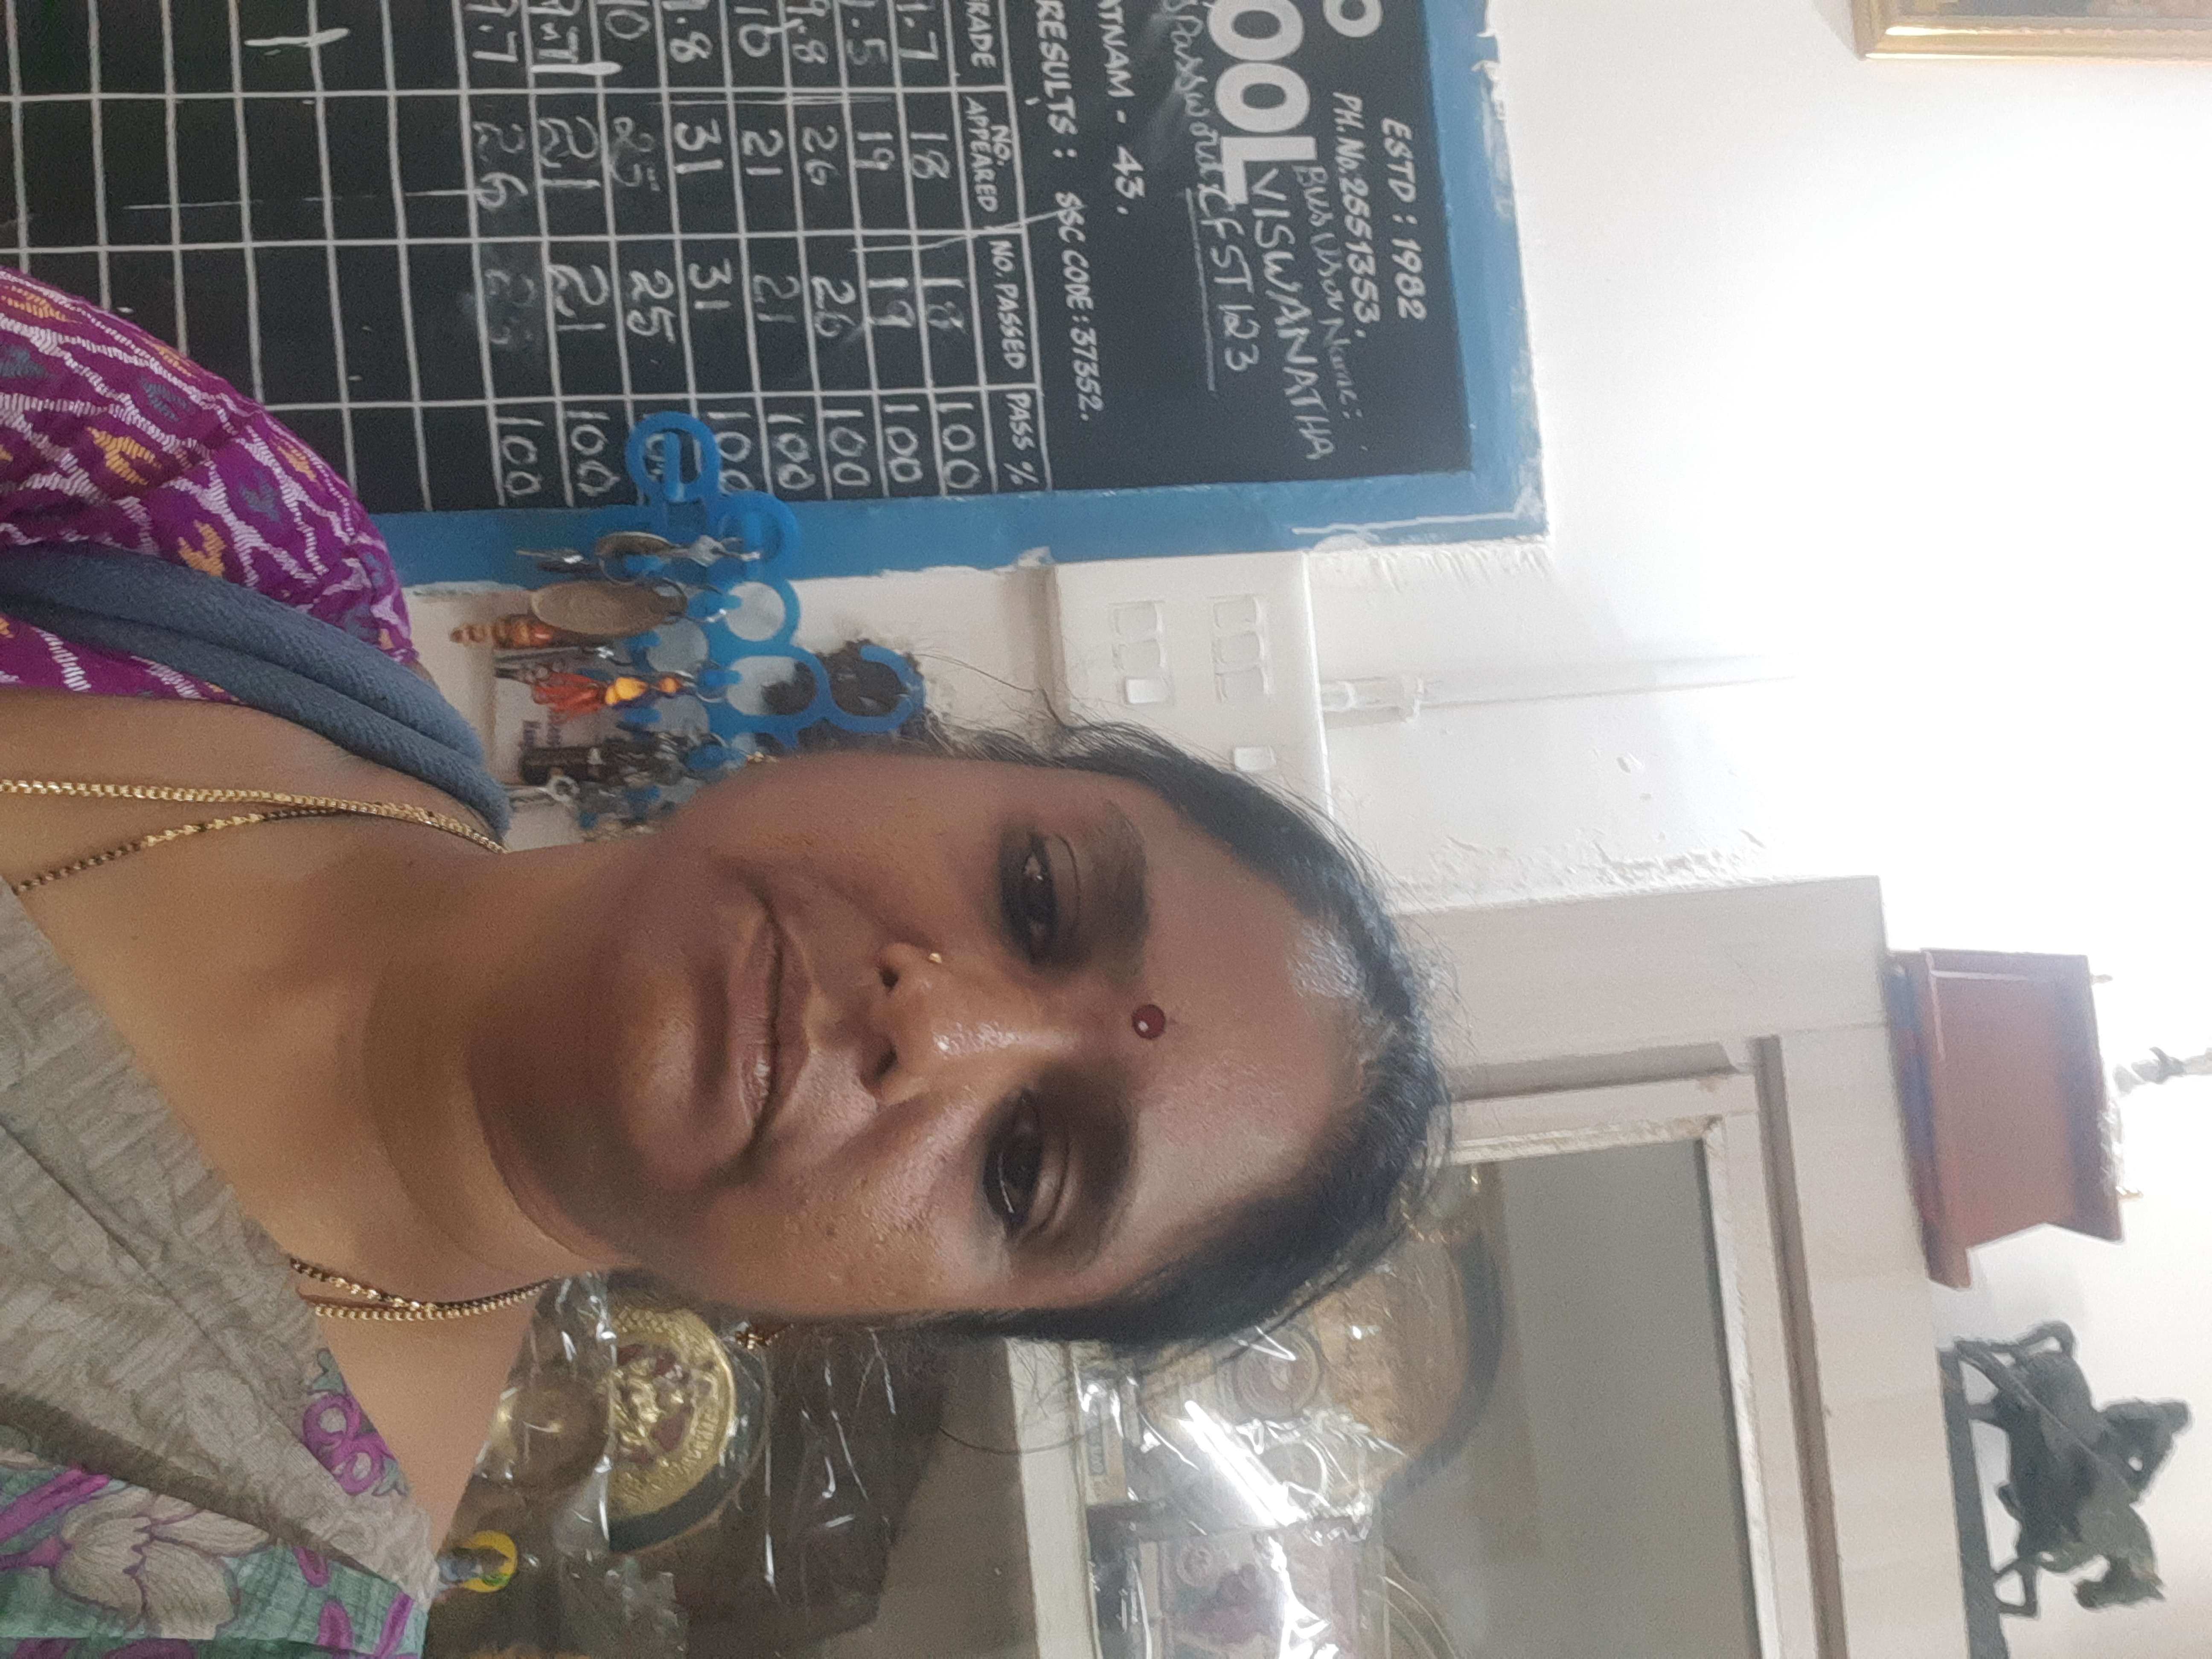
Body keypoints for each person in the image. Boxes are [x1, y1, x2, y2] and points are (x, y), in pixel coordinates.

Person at [0, 269, 1445, 1652]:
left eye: (1024, 1170)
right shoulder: (223, 535)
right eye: (1035, 898)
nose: (939, 1029)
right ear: (922, 752)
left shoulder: (217, 1601)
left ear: (915, 1313)